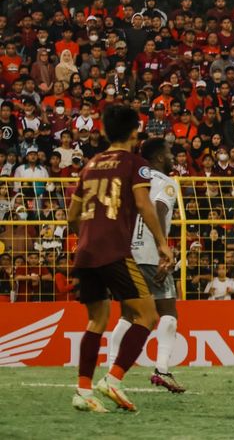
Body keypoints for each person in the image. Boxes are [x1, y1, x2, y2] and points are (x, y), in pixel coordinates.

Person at [68, 105, 173, 413]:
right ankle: (113, 380)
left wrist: (89, 233)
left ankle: (83, 391)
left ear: (103, 132)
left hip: (85, 251)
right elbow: (144, 204)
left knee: (96, 320)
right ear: (135, 132)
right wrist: (162, 244)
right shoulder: (136, 165)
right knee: (148, 315)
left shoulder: (90, 165)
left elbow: (72, 215)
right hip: (113, 250)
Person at [108, 138, 184, 393]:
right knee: (168, 313)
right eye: (170, 153)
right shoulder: (165, 183)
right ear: (160, 158)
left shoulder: (132, 180)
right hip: (151, 255)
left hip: (125, 254)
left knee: (128, 315)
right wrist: (164, 251)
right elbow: (160, 210)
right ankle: (162, 370)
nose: (173, 157)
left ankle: (110, 370)